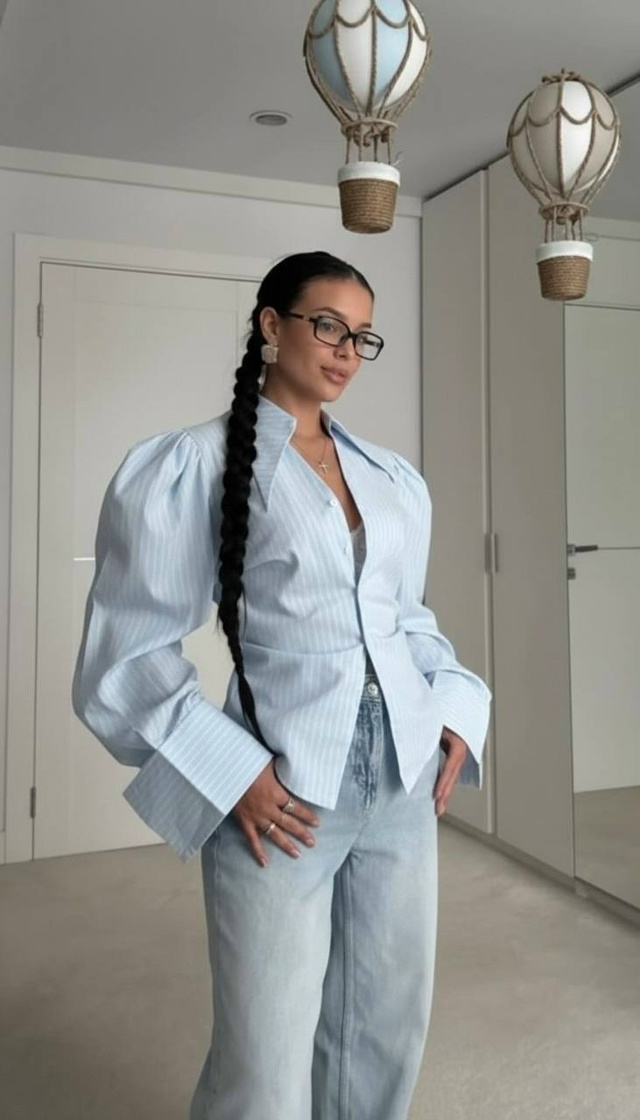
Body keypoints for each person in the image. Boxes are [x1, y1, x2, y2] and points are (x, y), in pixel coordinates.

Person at [72, 250, 492, 1120]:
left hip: (403, 784)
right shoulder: (195, 466)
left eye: (362, 336)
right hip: (285, 791)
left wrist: (454, 711)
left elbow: (405, 620)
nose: (346, 351)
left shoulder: (388, 478)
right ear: (271, 324)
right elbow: (124, 656)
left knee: (384, 1030)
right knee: (263, 1063)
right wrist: (232, 774)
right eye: (328, 325)